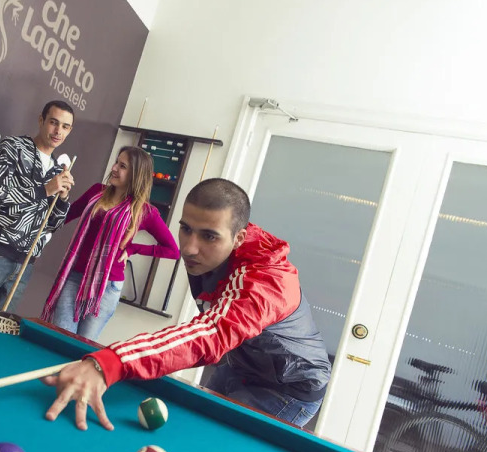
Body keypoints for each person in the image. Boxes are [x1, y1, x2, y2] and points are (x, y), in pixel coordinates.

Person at [42, 178, 332, 430]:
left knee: (211, 445)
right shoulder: (211, 255)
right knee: (192, 427)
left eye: (209, 236)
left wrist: (110, 362)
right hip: (242, 366)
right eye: (186, 229)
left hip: (288, 388)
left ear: (239, 238)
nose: (190, 248)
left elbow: (210, 334)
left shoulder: (267, 282)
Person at [41, 146, 179, 340]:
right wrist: (62, 197)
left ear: (136, 174)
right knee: (61, 338)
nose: (114, 168)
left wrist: (132, 249)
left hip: (107, 288)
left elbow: (173, 251)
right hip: (74, 276)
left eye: (122, 166)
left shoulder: (144, 211)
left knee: (83, 345)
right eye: (116, 162)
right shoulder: (97, 191)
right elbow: (64, 217)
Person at [0, 100, 76, 312]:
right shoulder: (13, 147)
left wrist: (62, 200)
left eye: (65, 126)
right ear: (41, 120)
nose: (58, 131)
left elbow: (50, 226)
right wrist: (44, 190)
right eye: (53, 122)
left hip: (25, 265)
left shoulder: (58, 170)